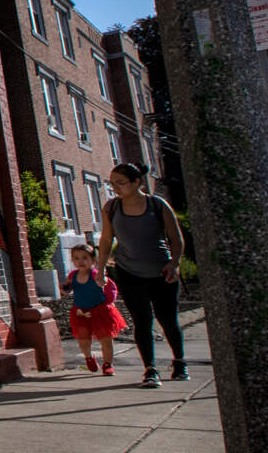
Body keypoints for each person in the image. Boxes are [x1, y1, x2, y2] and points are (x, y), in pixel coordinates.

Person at [95, 162, 187, 388]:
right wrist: (101, 268)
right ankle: (150, 370)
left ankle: (180, 362)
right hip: (129, 272)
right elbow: (107, 240)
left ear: (137, 182)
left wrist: (174, 264)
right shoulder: (112, 208)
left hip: (161, 271)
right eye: (112, 183)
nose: (115, 187)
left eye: (121, 183)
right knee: (142, 322)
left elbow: (176, 238)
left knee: (168, 320)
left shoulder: (157, 205)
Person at [63, 242, 126, 374]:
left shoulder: (95, 274)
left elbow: (110, 287)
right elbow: (66, 289)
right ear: (73, 260)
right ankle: (88, 357)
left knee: (106, 340)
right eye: (76, 258)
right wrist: (64, 287)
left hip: (99, 311)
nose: (80, 261)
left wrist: (106, 294)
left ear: (93, 260)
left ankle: (107, 364)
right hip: (80, 312)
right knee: (83, 340)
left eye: (85, 258)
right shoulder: (72, 276)